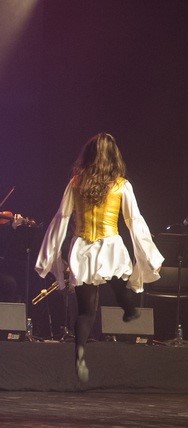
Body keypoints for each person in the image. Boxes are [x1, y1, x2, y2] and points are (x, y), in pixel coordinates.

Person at [36, 133, 164, 382]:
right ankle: (128, 309)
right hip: (109, 246)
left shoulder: (76, 182)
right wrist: (149, 253)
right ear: (114, 156)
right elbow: (133, 221)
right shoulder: (121, 185)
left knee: (86, 311)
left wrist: (50, 253)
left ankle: (80, 351)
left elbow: (61, 218)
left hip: (82, 247)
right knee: (118, 279)